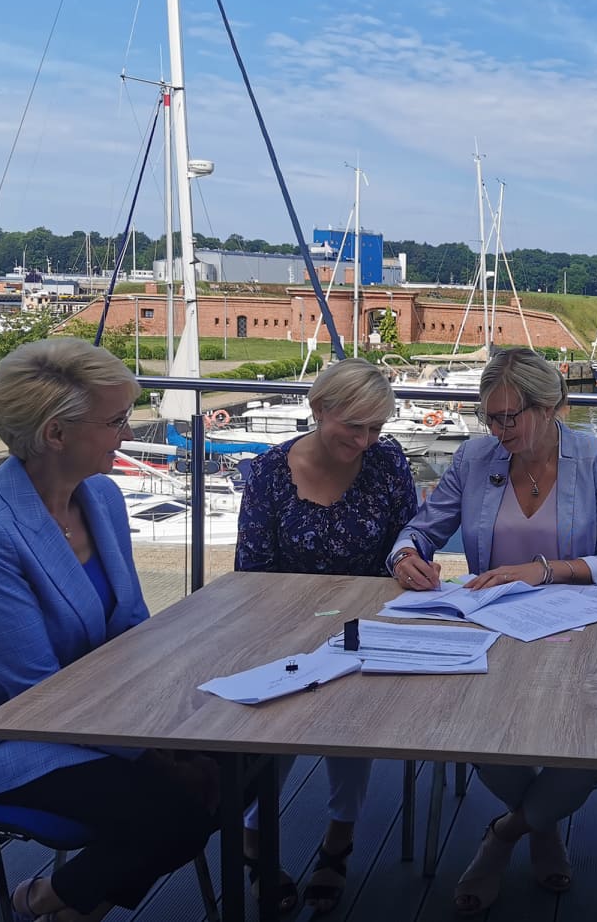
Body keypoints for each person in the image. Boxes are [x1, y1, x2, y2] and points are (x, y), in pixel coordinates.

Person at [0, 338, 218, 922]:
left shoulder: (101, 496)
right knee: (178, 808)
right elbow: (35, 692)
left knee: (233, 767)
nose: (126, 433)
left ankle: (63, 902)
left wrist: (182, 706)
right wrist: (154, 751)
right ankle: (45, 901)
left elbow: (130, 628)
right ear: (55, 434)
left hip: (92, 710)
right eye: (114, 421)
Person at [390, 347, 597, 915]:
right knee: (473, 726)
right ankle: (543, 826)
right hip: (491, 627)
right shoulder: (475, 458)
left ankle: (506, 833)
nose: (498, 431)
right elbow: (421, 530)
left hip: (577, 630)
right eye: (490, 417)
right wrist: (404, 556)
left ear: (550, 408)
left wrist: (544, 570)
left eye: (509, 417)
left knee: (591, 746)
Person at [235, 357, 418, 915]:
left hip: (368, 623)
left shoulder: (387, 461)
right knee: (278, 716)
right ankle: (252, 836)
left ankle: (339, 838)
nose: (365, 441)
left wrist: (409, 560)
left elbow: (407, 538)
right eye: (353, 426)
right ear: (318, 409)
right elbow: (252, 572)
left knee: (352, 715)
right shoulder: (269, 473)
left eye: (375, 427)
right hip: (284, 624)